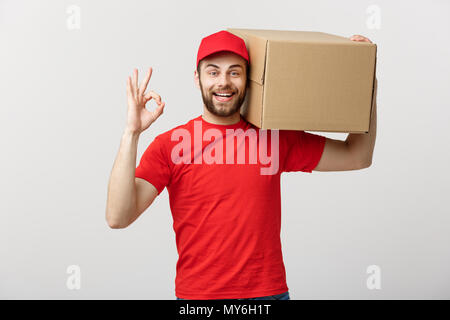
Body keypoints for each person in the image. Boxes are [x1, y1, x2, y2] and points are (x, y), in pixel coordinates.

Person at [105, 30, 377, 300]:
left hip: (268, 296)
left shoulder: (274, 139)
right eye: (213, 72)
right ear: (197, 79)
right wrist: (131, 133)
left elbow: (357, 155)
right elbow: (118, 217)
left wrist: (366, 78)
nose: (224, 82)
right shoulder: (172, 144)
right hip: (200, 299)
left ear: (249, 80)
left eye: (235, 72)